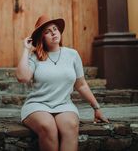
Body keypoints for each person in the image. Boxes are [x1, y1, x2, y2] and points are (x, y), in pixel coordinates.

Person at [16, 15, 109, 151]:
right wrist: (26, 49)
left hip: (64, 105)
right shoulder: (35, 57)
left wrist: (96, 108)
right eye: (47, 31)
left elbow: (81, 84)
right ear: (42, 38)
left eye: (55, 29)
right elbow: (22, 77)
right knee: (48, 127)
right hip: (37, 105)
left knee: (71, 126)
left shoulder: (72, 55)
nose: (53, 32)